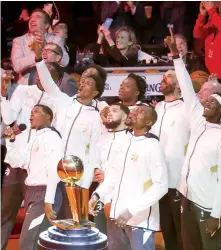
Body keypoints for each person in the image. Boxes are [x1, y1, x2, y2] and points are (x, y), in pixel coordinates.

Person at [165, 32, 221, 250]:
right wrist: (175, 56)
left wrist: (216, 214)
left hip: (208, 206)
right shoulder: (198, 123)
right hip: (187, 200)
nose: (205, 103)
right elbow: (187, 87)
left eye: (212, 102)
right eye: (205, 101)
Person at [89, 105, 168, 250]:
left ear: (149, 123)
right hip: (116, 217)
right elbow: (113, 175)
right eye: (134, 110)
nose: (134, 112)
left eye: (141, 112)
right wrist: (97, 195)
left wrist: (131, 210)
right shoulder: (125, 141)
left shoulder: (153, 145)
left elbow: (161, 186)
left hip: (139, 222)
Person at [0, 63, 59, 250]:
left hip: (36, 166)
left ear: (55, 80)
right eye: (40, 74)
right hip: (16, 159)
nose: (41, 77)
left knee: (33, 219)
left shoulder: (58, 99)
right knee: (5, 212)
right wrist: (3, 95)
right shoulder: (23, 90)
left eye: (47, 75)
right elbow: (9, 118)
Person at [33, 38, 104, 190]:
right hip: (53, 171)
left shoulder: (96, 117)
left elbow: (95, 149)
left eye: (89, 84)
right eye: (83, 82)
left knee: (74, 214)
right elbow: (48, 83)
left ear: (95, 92)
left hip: (77, 176)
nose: (83, 84)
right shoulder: (64, 101)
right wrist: (39, 59)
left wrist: (86, 182)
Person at [3, 104, 63, 250]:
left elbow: (56, 169)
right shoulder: (35, 139)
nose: (31, 115)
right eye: (30, 112)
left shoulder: (52, 136)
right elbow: (19, 162)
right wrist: (10, 141)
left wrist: (49, 199)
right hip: (32, 192)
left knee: (28, 242)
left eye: (36, 112)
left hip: (44, 194)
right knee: (32, 242)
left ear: (49, 116)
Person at [152, 70, 190, 250]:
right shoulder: (157, 108)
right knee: (166, 229)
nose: (163, 79)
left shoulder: (186, 108)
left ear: (178, 85)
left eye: (168, 77)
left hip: (178, 180)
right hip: (159, 180)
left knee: (182, 231)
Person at [93, 102, 130, 234]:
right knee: (99, 237)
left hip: (120, 196)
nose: (109, 112)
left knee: (119, 241)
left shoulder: (131, 139)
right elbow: (96, 159)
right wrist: (97, 169)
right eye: (108, 110)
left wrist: (107, 177)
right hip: (100, 194)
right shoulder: (103, 137)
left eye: (114, 110)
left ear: (126, 117)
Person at [11, 8, 69, 85]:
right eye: (31, 17)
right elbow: (16, 66)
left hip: (51, 82)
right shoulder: (19, 41)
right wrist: (37, 55)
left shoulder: (56, 39)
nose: (32, 20)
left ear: (46, 25)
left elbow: (65, 61)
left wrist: (46, 46)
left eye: (38, 17)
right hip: (27, 84)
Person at [193, 1, 221, 80]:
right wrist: (202, 15)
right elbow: (197, 34)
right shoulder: (212, 22)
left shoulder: (219, 23)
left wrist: (211, 10)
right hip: (210, 76)